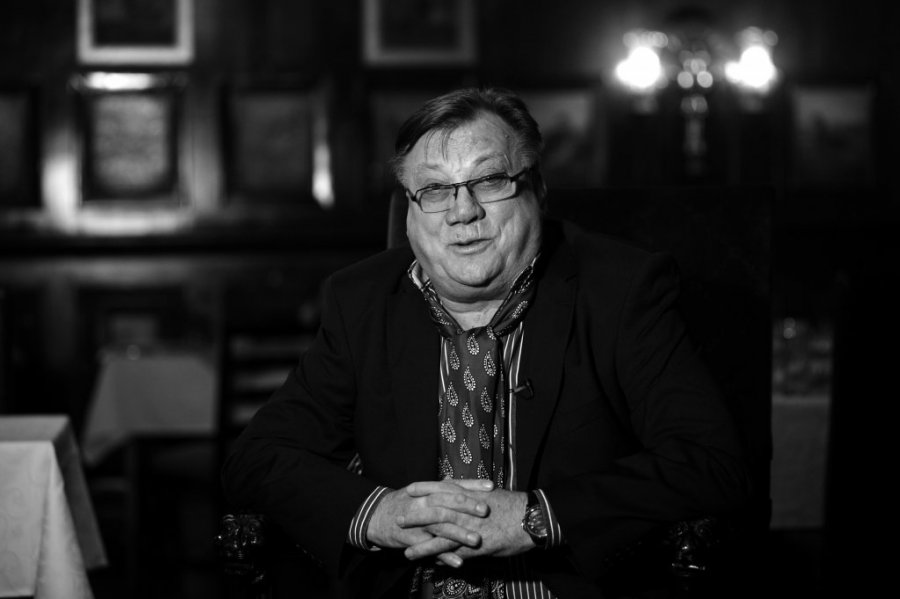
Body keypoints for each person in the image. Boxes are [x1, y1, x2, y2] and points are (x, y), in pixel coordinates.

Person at [221, 86, 753, 598]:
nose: (462, 211)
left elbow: (712, 464)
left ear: (537, 188)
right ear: (409, 210)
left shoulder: (620, 292)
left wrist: (536, 517)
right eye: (434, 190)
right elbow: (256, 459)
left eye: (491, 180)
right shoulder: (361, 301)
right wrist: (378, 514)